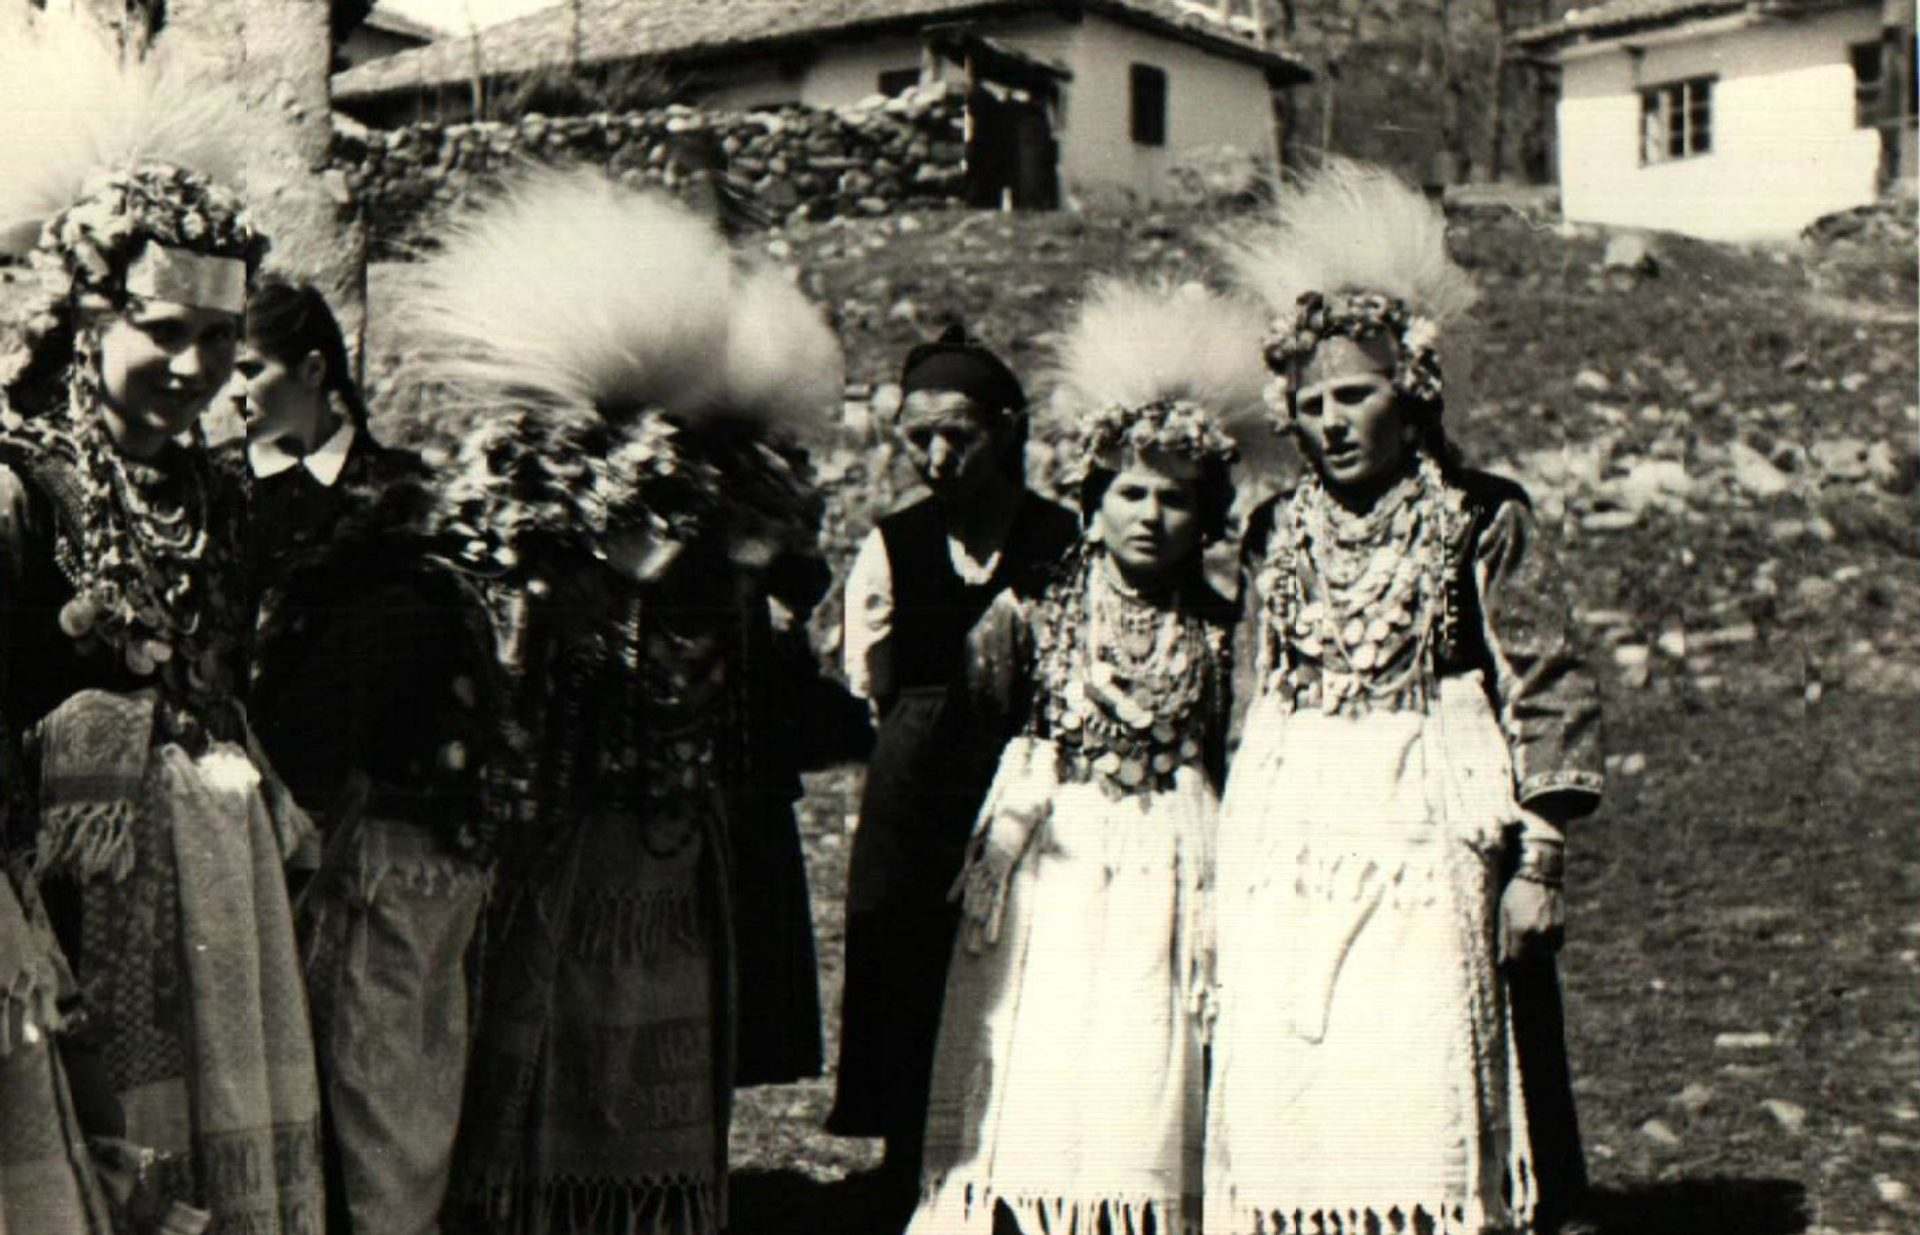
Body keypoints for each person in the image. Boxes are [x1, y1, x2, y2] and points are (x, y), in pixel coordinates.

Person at [387, 168, 838, 1235]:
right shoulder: (544, 480)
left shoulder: (728, 478)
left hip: (669, 830)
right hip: (558, 828)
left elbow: (762, 604)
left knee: (653, 1057)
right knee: (542, 1041)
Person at [1205, 161, 1604, 1235]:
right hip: (1299, 830)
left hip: (1435, 818)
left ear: (1412, 392)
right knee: (1306, 1051)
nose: (1333, 422)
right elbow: (1248, 695)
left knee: (1437, 1044)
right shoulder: (1274, 532)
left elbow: (1547, 683)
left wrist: (1539, 865)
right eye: (1313, 404)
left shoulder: (1482, 516)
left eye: (1357, 396)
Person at [0, 21, 323, 1233]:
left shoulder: (218, 494)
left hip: (211, 880)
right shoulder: (19, 487)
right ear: (89, 320)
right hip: (56, 898)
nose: (195, 366)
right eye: (165, 330)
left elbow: (220, 677)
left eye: (221, 337)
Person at [907, 279, 1271, 1235]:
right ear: (1093, 501)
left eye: (1176, 498)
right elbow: (974, 734)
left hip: (1174, 860)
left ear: (1208, 513)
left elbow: (1230, 750)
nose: (1151, 516)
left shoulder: (1223, 630)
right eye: (1130, 493)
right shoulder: (1028, 612)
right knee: (1047, 1046)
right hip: (1056, 859)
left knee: (1146, 1052)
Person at [230, 277, 494, 1235]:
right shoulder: (222, 493)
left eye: (249, 367)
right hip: (255, 819)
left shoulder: (401, 492)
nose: (232, 389)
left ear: (314, 371)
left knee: (383, 1068)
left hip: (382, 830)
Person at [828, 325, 1079, 1198]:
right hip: (918, 777)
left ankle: (1016, 1151)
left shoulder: (1061, 537)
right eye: (918, 438)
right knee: (905, 943)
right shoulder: (893, 544)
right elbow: (871, 676)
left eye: (958, 436)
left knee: (1022, 944)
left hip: (1026, 767)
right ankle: (908, 1155)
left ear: (1005, 430)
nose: (937, 458)